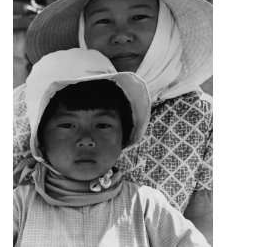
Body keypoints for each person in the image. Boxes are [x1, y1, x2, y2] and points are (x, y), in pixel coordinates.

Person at [14, 0, 213, 243]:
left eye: (140, 17)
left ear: (167, 25)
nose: (122, 34)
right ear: (83, 29)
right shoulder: (33, 100)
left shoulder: (202, 115)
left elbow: (204, 221)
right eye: (103, 21)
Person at [14, 48, 210, 247]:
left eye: (102, 125)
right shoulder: (19, 206)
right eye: (67, 125)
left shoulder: (144, 205)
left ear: (124, 137)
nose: (86, 139)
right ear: (41, 138)